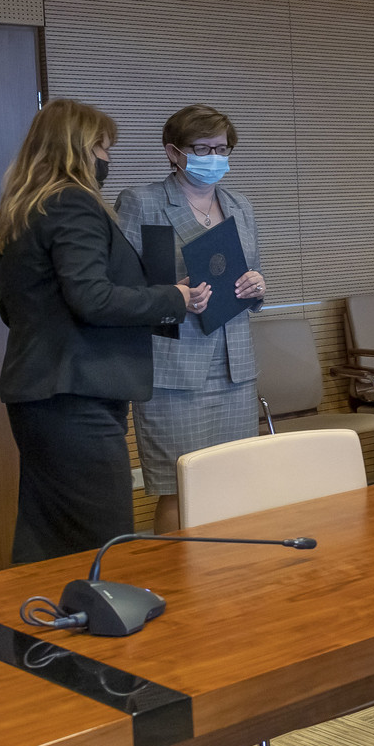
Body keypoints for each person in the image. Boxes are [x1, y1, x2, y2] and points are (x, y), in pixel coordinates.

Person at [0, 100, 206, 563]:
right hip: (77, 395)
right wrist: (174, 298)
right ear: (79, 148)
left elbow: (13, 309)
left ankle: (40, 612)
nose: (107, 159)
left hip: (40, 394)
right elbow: (93, 299)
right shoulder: (72, 202)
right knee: (101, 539)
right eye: (104, 148)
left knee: (47, 536)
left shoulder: (24, 209)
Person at [116, 105, 266, 533]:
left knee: (235, 482)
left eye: (222, 148)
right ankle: (178, 573)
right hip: (174, 370)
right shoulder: (142, 202)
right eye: (202, 149)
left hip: (235, 367)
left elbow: (251, 272)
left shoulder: (239, 205)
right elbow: (121, 287)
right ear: (173, 152)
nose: (214, 157)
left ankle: (232, 569)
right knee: (178, 487)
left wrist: (258, 287)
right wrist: (174, 296)